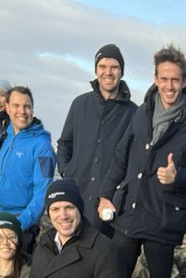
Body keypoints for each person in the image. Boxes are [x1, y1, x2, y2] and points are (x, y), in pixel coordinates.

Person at [98, 45, 186, 278]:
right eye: (164, 79)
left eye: (175, 80)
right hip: (129, 213)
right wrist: (106, 194)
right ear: (155, 79)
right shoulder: (141, 113)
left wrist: (177, 176)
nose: (169, 86)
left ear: (184, 81)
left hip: (163, 217)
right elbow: (120, 157)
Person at [56, 44, 136, 232]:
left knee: (102, 257)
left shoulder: (134, 113)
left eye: (114, 67)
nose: (108, 72)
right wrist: (66, 171)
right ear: (96, 70)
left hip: (109, 203)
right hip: (77, 193)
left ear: (121, 72)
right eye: (102, 66)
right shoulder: (80, 104)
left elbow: (134, 159)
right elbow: (64, 143)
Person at [0, 86, 56, 240]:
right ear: (7, 108)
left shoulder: (42, 148)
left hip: (17, 219)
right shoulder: (3, 137)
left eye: (27, 106)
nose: (22, 111)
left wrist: (20, 223)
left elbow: (42, 193)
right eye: (16, 106)